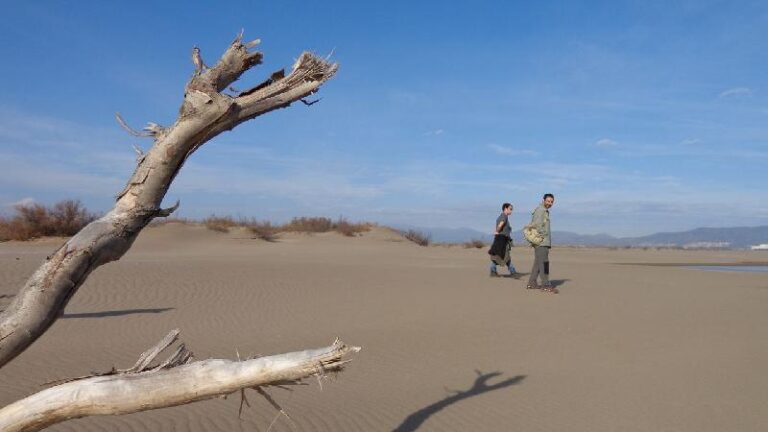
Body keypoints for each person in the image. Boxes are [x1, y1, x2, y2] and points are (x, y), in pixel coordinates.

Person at [527, 194, 557, 293]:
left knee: (538, 263)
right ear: (543, 200)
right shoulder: (540, 210)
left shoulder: (544, 211)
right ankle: (545, 285)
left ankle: (532, 283)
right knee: (544, 263)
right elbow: (536, 225)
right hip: (541, 242)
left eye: (551, 202)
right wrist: (543, 235)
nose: (550, 203)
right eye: (548, 201)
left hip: (543, 242)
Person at [488, 203, 517, 277]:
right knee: (506, 256)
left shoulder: (501, 216)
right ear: (505, 209)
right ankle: (513, 272)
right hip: (502, 240)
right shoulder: (504, 216)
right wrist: (497, 231)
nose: (511, 211)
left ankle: (493, 271)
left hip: (500, 239)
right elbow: (500, 224)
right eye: (510, 209)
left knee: (498, 256)